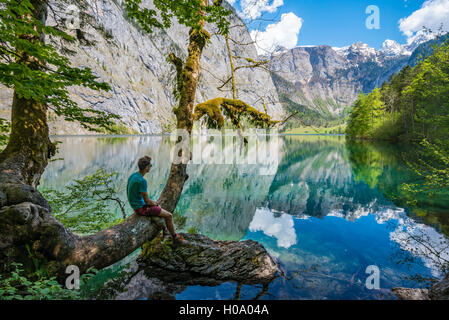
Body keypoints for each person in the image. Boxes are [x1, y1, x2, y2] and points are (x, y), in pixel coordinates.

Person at [127, 156, 184, 245]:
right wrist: (155, 204)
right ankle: (175, 237)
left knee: (158, 208)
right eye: (150, 165)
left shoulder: (133, 176)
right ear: (146, 168)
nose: (150, 167)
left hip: (135, 205)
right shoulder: (142, 181)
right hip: (141, 208)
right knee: (169, 215)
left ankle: (165, 229)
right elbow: (147, 201)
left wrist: (153, 203)